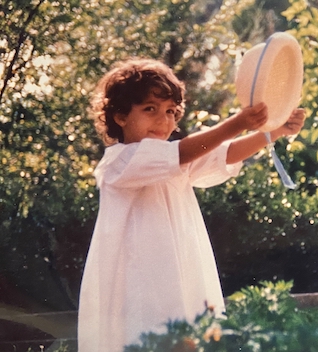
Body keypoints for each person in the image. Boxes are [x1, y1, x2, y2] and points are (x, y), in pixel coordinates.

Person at [77, 58, 305, 351]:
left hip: (180, 271)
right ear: (120, 116)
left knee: (188, 330)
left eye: (172, 111)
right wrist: (237, 122)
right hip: (138, 281)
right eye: (151, 109)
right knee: (144, 333)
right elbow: (184, 152)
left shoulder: (173, 159)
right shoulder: (120, 161)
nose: (164, 120)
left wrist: (273, 131)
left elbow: (227, 153)